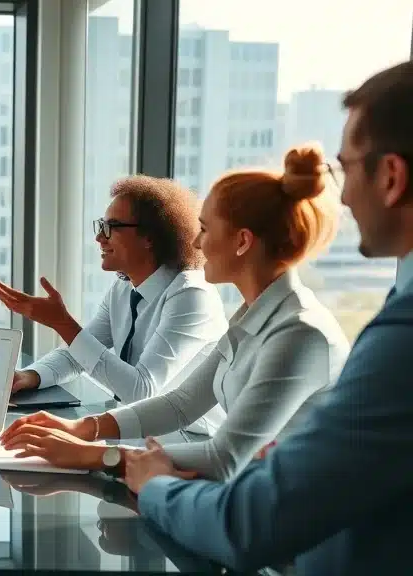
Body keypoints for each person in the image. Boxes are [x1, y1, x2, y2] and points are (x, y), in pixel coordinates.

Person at [121, 60, 413, 576]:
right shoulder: (252, 318)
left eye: (347, 170)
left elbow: (249, 523)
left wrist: (153, 484)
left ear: (391, 176)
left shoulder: (392, 336)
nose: (341, 197)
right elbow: (188, 405)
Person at [0, 144, 349, 482]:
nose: (196, 244)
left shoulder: (300, 333)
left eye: (206, 229)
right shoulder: (251, 316)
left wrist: (93, 453)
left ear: (242, 241)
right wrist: (82, 428)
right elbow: (181, 403)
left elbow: (224, 457)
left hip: (280, 517)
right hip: (243, 491)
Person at [0, 176, 227, 409]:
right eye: (101, 226)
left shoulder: (191, 295)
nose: (99, 238)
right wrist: (30, 376)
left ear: (149, 237)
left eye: (111, 227)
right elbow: (78, 354)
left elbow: (140, 390)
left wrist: (62, 323)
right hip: (140, 430)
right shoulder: (124, 288)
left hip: (189, 438)